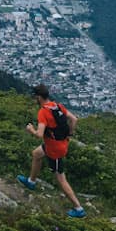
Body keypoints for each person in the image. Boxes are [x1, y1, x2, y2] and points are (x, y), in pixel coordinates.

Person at [17, 83, 86, 217]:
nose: (34, 100)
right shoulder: (57, 106)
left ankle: (79, 209)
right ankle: (31, 181)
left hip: (54, 150)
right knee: (36, 154)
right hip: (60, 143)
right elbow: (74, 119)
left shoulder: (43, 112)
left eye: (35, 97)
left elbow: (39, 134)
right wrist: (70, 134)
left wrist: (31, 130)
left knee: (60, 178)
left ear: (38, 97)